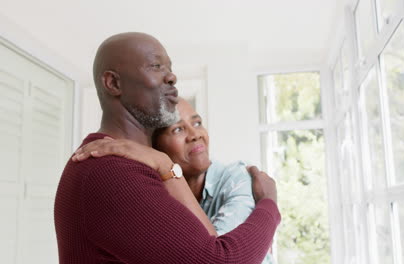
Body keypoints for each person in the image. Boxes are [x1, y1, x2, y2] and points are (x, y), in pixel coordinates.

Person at [54, 32, 280, 264]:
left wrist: (167, 166)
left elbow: (208, 239)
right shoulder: (111, 171)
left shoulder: (140, 165)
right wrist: (269, 203)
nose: (172, 76)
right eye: (156, 66)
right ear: (114, 83)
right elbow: (219, 260)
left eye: (169, 68)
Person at [73, 98, 274, 264]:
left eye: (197, 123)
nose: (195, 135)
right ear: (156, 146)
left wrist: (166, 167)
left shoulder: (238, 177)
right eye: (178, 129)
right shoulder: (154, 192)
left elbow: (222, 257)